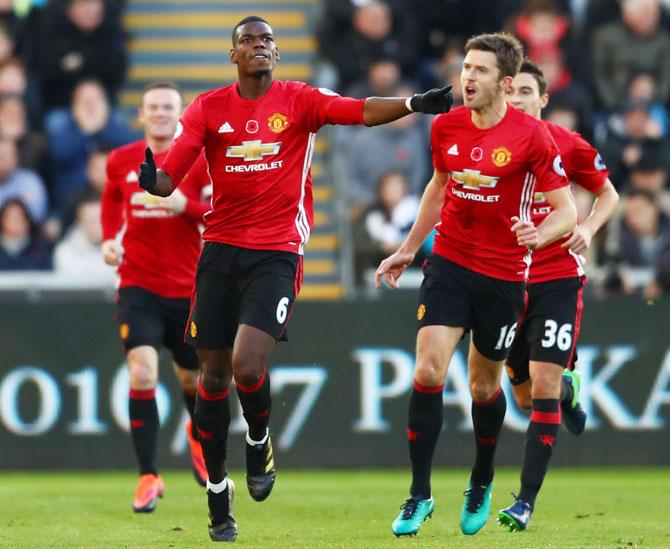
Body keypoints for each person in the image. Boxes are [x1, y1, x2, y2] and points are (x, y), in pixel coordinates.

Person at [138, 15, 453, 543]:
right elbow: (173, 175)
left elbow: (357, 112)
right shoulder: (207, 109)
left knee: (245, 363)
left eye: (266, 40)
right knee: (211, 378)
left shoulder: (300, 100)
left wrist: (413, 103)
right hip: (218, 252)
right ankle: (218, 492)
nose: (258, 46)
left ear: (277, 53)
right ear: (232, 55)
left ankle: (258, 438)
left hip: (276, 252)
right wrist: (156, 181)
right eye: (247, 41)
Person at [374, 32, 577, 538]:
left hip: (505, 276)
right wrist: (408, 247)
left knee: (484, 386)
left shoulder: (533, 136)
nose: (468, 77)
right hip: (449, 262)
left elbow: (566, 212)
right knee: (427, 368)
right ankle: (419, 493)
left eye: (481, 70)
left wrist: (539, 233)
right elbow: (438, 188)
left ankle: (482, 478)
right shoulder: (445, 126)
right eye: (466, 66)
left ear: (506, 83)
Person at [499, 58, 620, 532]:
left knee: (542, 385)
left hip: (556, 277)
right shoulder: (489, 143)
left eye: (527, 92)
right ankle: (568, 390)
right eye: (512, 92)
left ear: (543, 99)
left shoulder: (566, 144)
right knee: (526, 397)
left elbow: (609, 193)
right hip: (505, 277)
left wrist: (587, 227)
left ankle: (525, 502)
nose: (518, 100)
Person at [100, 82, 211, 513]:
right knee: (142, 374)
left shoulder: (198, 162)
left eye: (168, 107)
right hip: (138, 286)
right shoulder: (121, 160)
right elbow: (112, 196)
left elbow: (218, 213)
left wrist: (182, 205)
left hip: (187, 289)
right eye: (153, 107)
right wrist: (110, 239)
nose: (161, 113)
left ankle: (197, 438)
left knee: (192, 380)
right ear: (142, 115)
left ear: (180, 115)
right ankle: (148, 475)